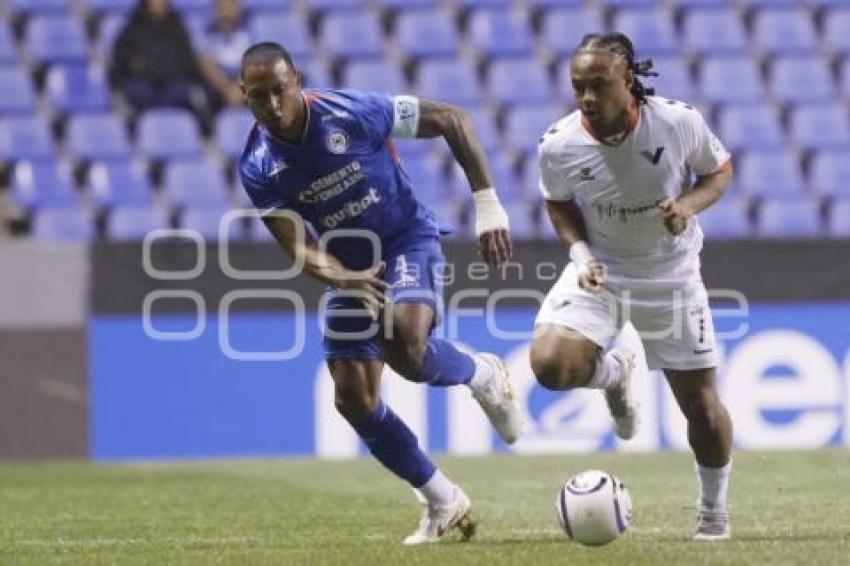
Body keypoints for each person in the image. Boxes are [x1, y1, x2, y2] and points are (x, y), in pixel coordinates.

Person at [237, 42, 524, 545]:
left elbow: (452, 119)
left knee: (407, 348)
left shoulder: (355, 112)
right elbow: (298, 248)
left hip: (405, 240)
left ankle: (484, 374)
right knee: (353, 398)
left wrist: (488, 205)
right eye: (259, 98)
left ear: (296, 79)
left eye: (280, 91)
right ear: (244, 96)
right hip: (349, 267)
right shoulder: (258, 166)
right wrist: (343, 277)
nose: (274, 106)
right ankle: (442, 500)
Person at [531, 33, 734, 540]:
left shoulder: (678, 122)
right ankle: (615, 373)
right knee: (551, 367)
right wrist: (581, 255)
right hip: (601, 269)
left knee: (701, 408)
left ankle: (713, 514)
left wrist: (687, 206)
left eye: (598, 85)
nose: (587, 98)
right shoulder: (558, 143)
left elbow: (719, 171)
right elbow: (557, 202)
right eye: (579, 86)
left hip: (671, 274)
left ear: (628, 80)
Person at [109, 0, 202, 113]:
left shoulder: (178, 27)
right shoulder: (132, 27)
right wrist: (133, 64)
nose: (160, 2)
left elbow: (188, 60)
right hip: (142, 83)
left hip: (172, 82)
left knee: (182, 92)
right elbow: (121, 59)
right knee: (139, 93)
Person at [197, 0, 251, 111]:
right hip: (218, 84)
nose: (226, 11)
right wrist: (226, 88)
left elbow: (255, 62)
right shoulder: (207, 32)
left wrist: (239, 88)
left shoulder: (252, 29)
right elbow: (205, 64)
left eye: (230, 6)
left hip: (244, 81)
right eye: (222, 7)